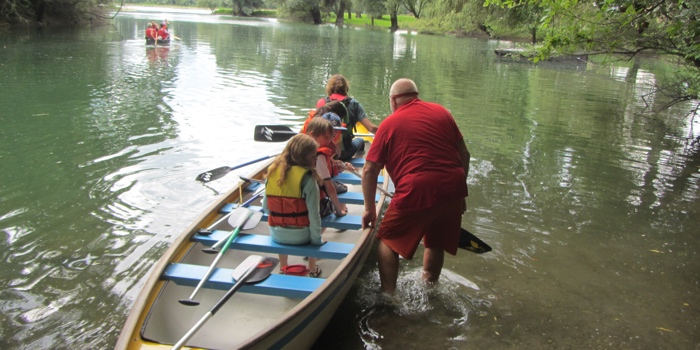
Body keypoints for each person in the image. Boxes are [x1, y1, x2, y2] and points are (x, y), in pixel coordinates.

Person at [361, 78, 471, 295]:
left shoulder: (389, 124)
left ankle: (389, 296)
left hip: (417, 188)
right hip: (453, 186)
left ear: (393, 100)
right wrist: (461, 193)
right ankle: (430, 286)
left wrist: (369, 209)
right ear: (416, 95)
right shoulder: (442, 112)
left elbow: (369, 170)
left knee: (387, 241)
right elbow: (464, 154)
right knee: (435, 241)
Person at [262, 134, 325, 277]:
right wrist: (316, 241)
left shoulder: (273, 172)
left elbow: (266, 208)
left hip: (277, 235)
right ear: (302, 157)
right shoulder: (308, 179)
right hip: (301, 237)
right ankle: (313, 269)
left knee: (281, 224)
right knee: (316, 226)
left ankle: (283, 267)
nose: (316, 159)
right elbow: (314, 216)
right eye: (312, 156)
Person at [316, 74, 379, 161]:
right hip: (344, 153)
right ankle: (357, 167)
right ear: (346, 88)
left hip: (322, 152)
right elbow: (371, 128)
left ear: (329, 88)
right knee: (361, 141)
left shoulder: (321, 103)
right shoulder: (354, 104)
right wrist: (388, 133)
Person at [304, 115, 356, 220]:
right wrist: (338, 211)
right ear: (312, 135)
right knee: (339, 191)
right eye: (327, 137)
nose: (329, 141)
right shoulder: (319, 156)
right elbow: (329, 187)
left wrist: (336, 165)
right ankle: (341, 210)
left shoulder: (300, 151)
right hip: (313, 203)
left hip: (300, 201)